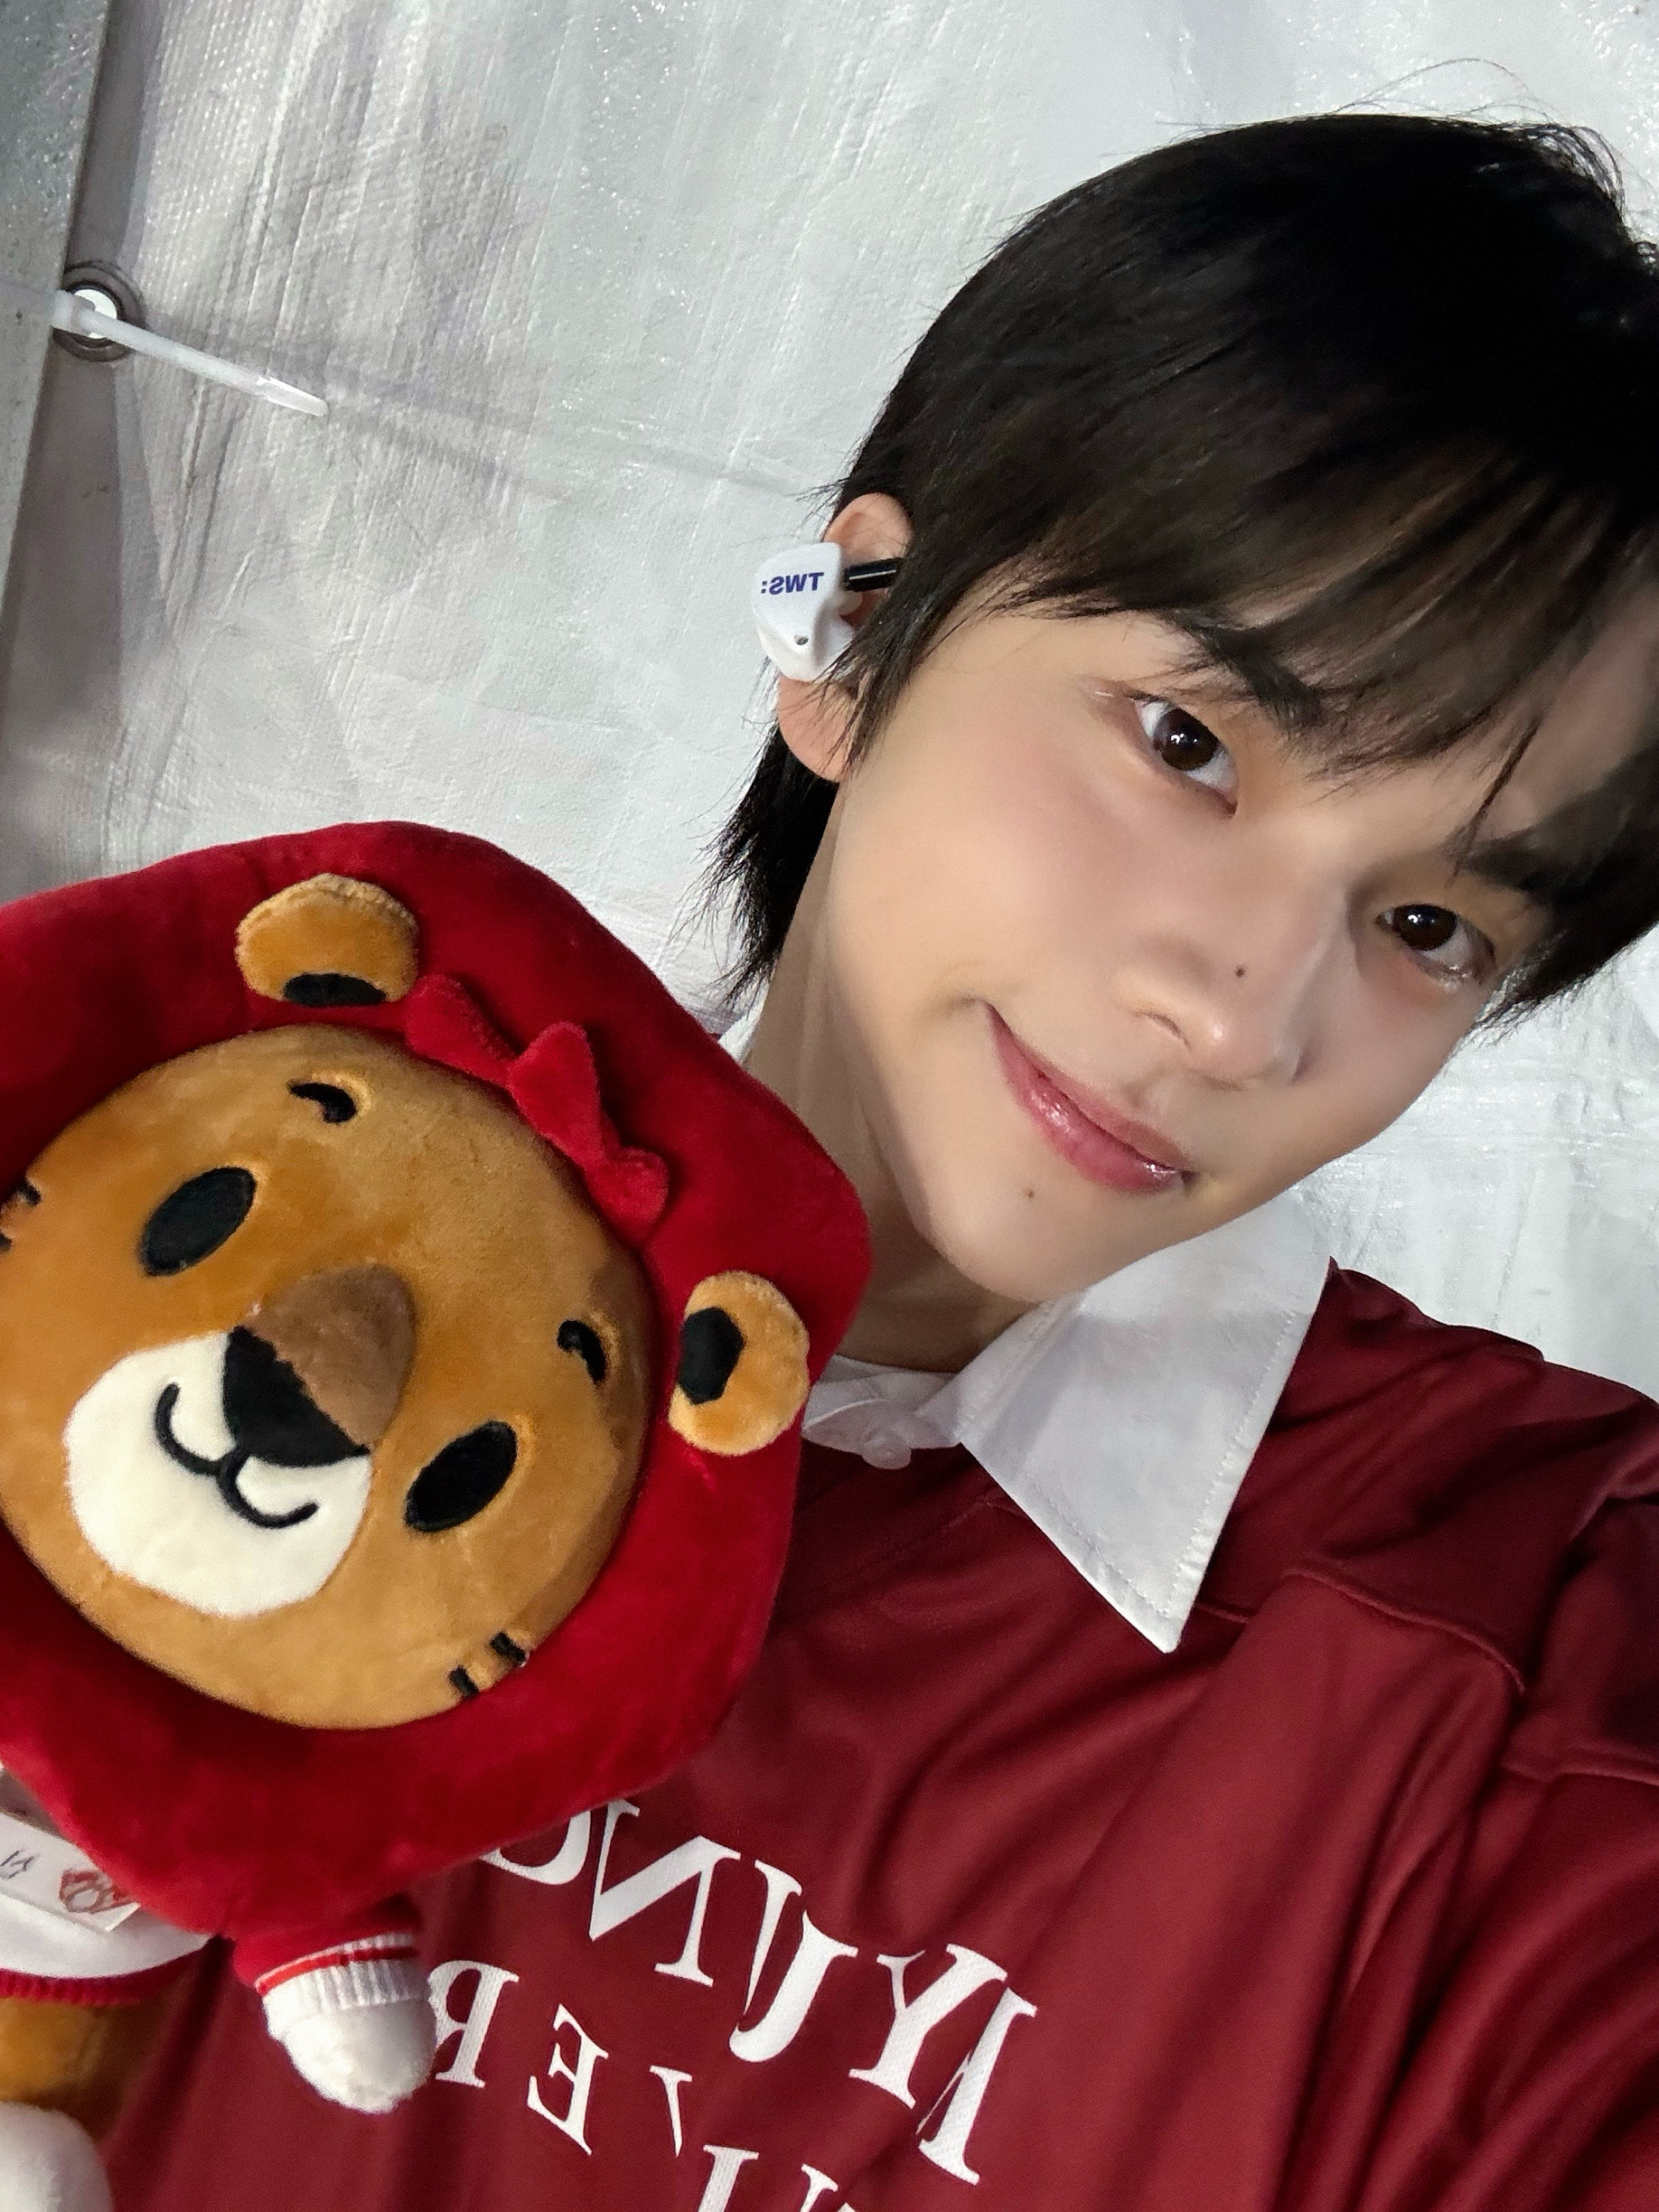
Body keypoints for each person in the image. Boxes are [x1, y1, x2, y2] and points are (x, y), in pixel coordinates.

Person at [107, 111, 1659, 2209]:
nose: (1244, 1018)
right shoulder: (197, 1193)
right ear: (854, 631)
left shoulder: (1511, 1693)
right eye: (1190, 743)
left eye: (1427, 924)